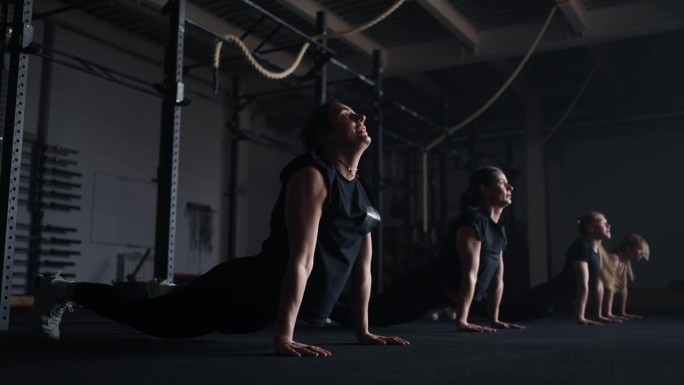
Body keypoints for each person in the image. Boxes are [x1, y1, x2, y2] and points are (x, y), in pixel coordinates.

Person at [30, 101, 409, 357]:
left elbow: (363, 270)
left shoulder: (362, 190)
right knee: (157, 323)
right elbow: (302, 258)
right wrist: (284, 337)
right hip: (249, 287)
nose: (360, 118)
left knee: (218, 324)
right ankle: (60, 289)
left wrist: (364, 332)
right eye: (347, 115)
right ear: (326, 135)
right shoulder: (312, 175)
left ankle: (172, 292)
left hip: (264, 307)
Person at [332, 166, 525, 332]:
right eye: (502, 183)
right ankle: (314, 299)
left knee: (373, 317)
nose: (510, 187)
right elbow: (470, 274)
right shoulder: (472, 221)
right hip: (421, 288)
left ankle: (321, 302)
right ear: (485, 190)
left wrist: (495, 319)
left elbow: (497, 280)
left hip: (438, 298)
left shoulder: (499, 230)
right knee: (365, 316)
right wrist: (462, 321)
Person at [565, 212, 613, 325]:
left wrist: (598, 315)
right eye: (604, 223)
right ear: (590, 228)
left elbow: (598, 283)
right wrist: (580, 317)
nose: (608, 226)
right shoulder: (582, 247)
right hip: (551, 297)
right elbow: (582, 284)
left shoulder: (597, 250)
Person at [599, 233, 650, 320]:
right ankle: (606, 312)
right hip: (594, 288)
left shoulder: (625, 261)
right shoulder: (614, 259)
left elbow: (624, 288)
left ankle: (619, 312)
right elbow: (609, 287)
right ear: (627, 248)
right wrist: (608, 313)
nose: (641, 253)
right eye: (639, 249)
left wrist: (622, 312)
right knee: (610, 287)